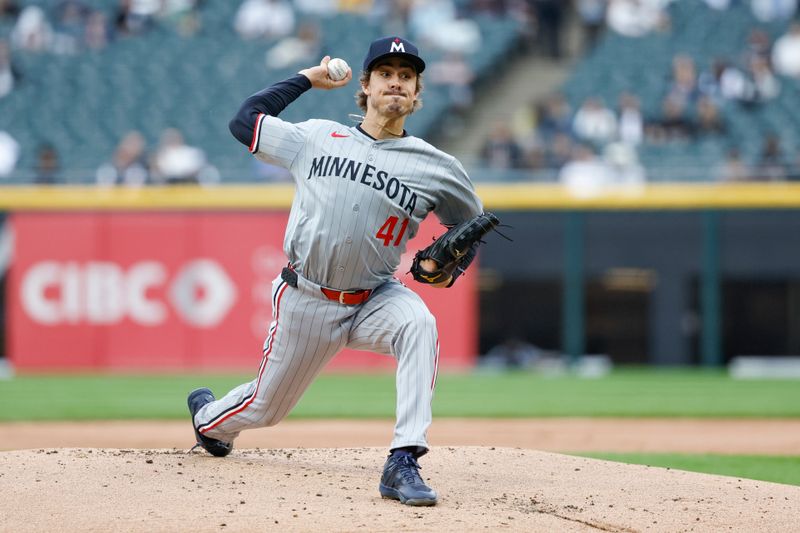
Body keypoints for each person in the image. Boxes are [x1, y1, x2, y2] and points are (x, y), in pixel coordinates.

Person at [187, 36, 484, 507]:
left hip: (376, 296)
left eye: (406, 77)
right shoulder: (316, 136)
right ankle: (208, 420)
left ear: (416, 92)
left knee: (419, 324)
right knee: (265, 408)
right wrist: (307, 78)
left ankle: (403, 459)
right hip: (307, 298)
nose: (396, 83)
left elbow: (470, 229)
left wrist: (448, 271)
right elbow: (244, 122)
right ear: (365, 85)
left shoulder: (437, 166)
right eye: (386, 74)